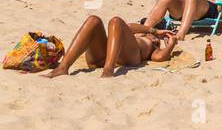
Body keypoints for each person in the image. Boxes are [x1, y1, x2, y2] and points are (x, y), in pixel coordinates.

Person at [44, 16, 177, 78]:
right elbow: (129, 26)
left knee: (115, 21)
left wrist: (170, 46)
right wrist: (152, 30)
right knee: (94, 20)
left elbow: (160, 58)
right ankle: (63, 67)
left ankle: (108, 70)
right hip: (103, 57)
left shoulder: (153, 46)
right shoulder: (138, 34)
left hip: (127, 60)